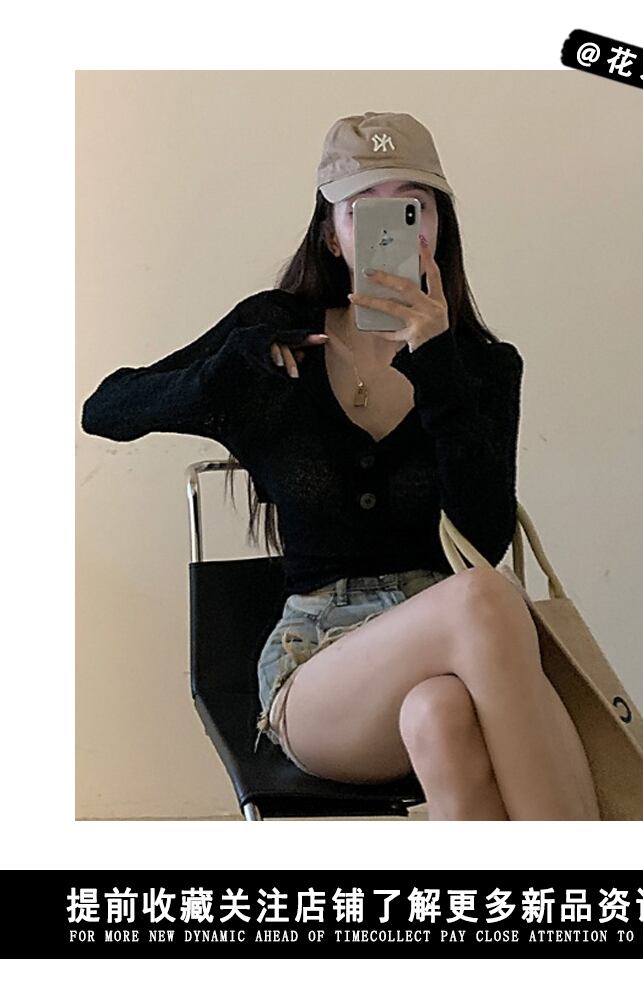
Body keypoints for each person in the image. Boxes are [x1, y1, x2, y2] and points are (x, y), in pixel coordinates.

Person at [81, 110, 600, 821]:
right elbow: (107, 408)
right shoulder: (271, 333)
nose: (395, 228)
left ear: (438, 226)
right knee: (483, 598)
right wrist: (224, 373)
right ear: (332, 232)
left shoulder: (480, 366)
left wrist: (437, 363)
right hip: (319, 670)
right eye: (364, 208)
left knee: (441, 714)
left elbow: (482, 533)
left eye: (412, 207)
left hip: (450, 662)